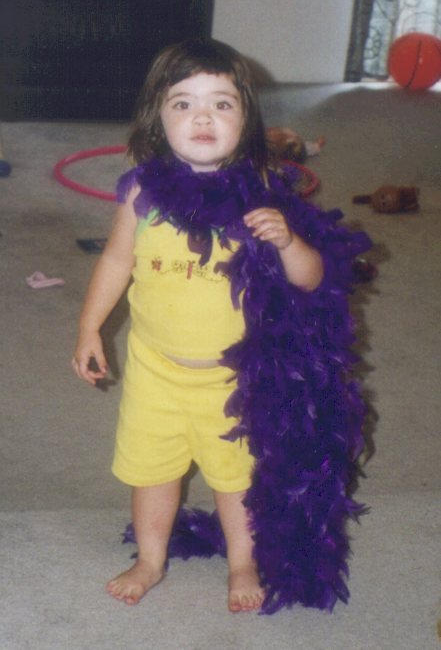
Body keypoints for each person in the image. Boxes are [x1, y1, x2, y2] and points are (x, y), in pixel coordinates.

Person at [73, 38, 370, 615]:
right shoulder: (140, 192)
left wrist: (288, 241)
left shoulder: (263, 198)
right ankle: (151, 558)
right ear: (157, 118)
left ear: (247, 119)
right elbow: (115, 260)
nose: (203, 117)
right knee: (151, 472)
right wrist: (90, 328)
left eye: (221, 104)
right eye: (183, 103)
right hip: (154, 370)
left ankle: (242, 562)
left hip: (234, 381)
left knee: (236, 481)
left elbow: (314, 280)